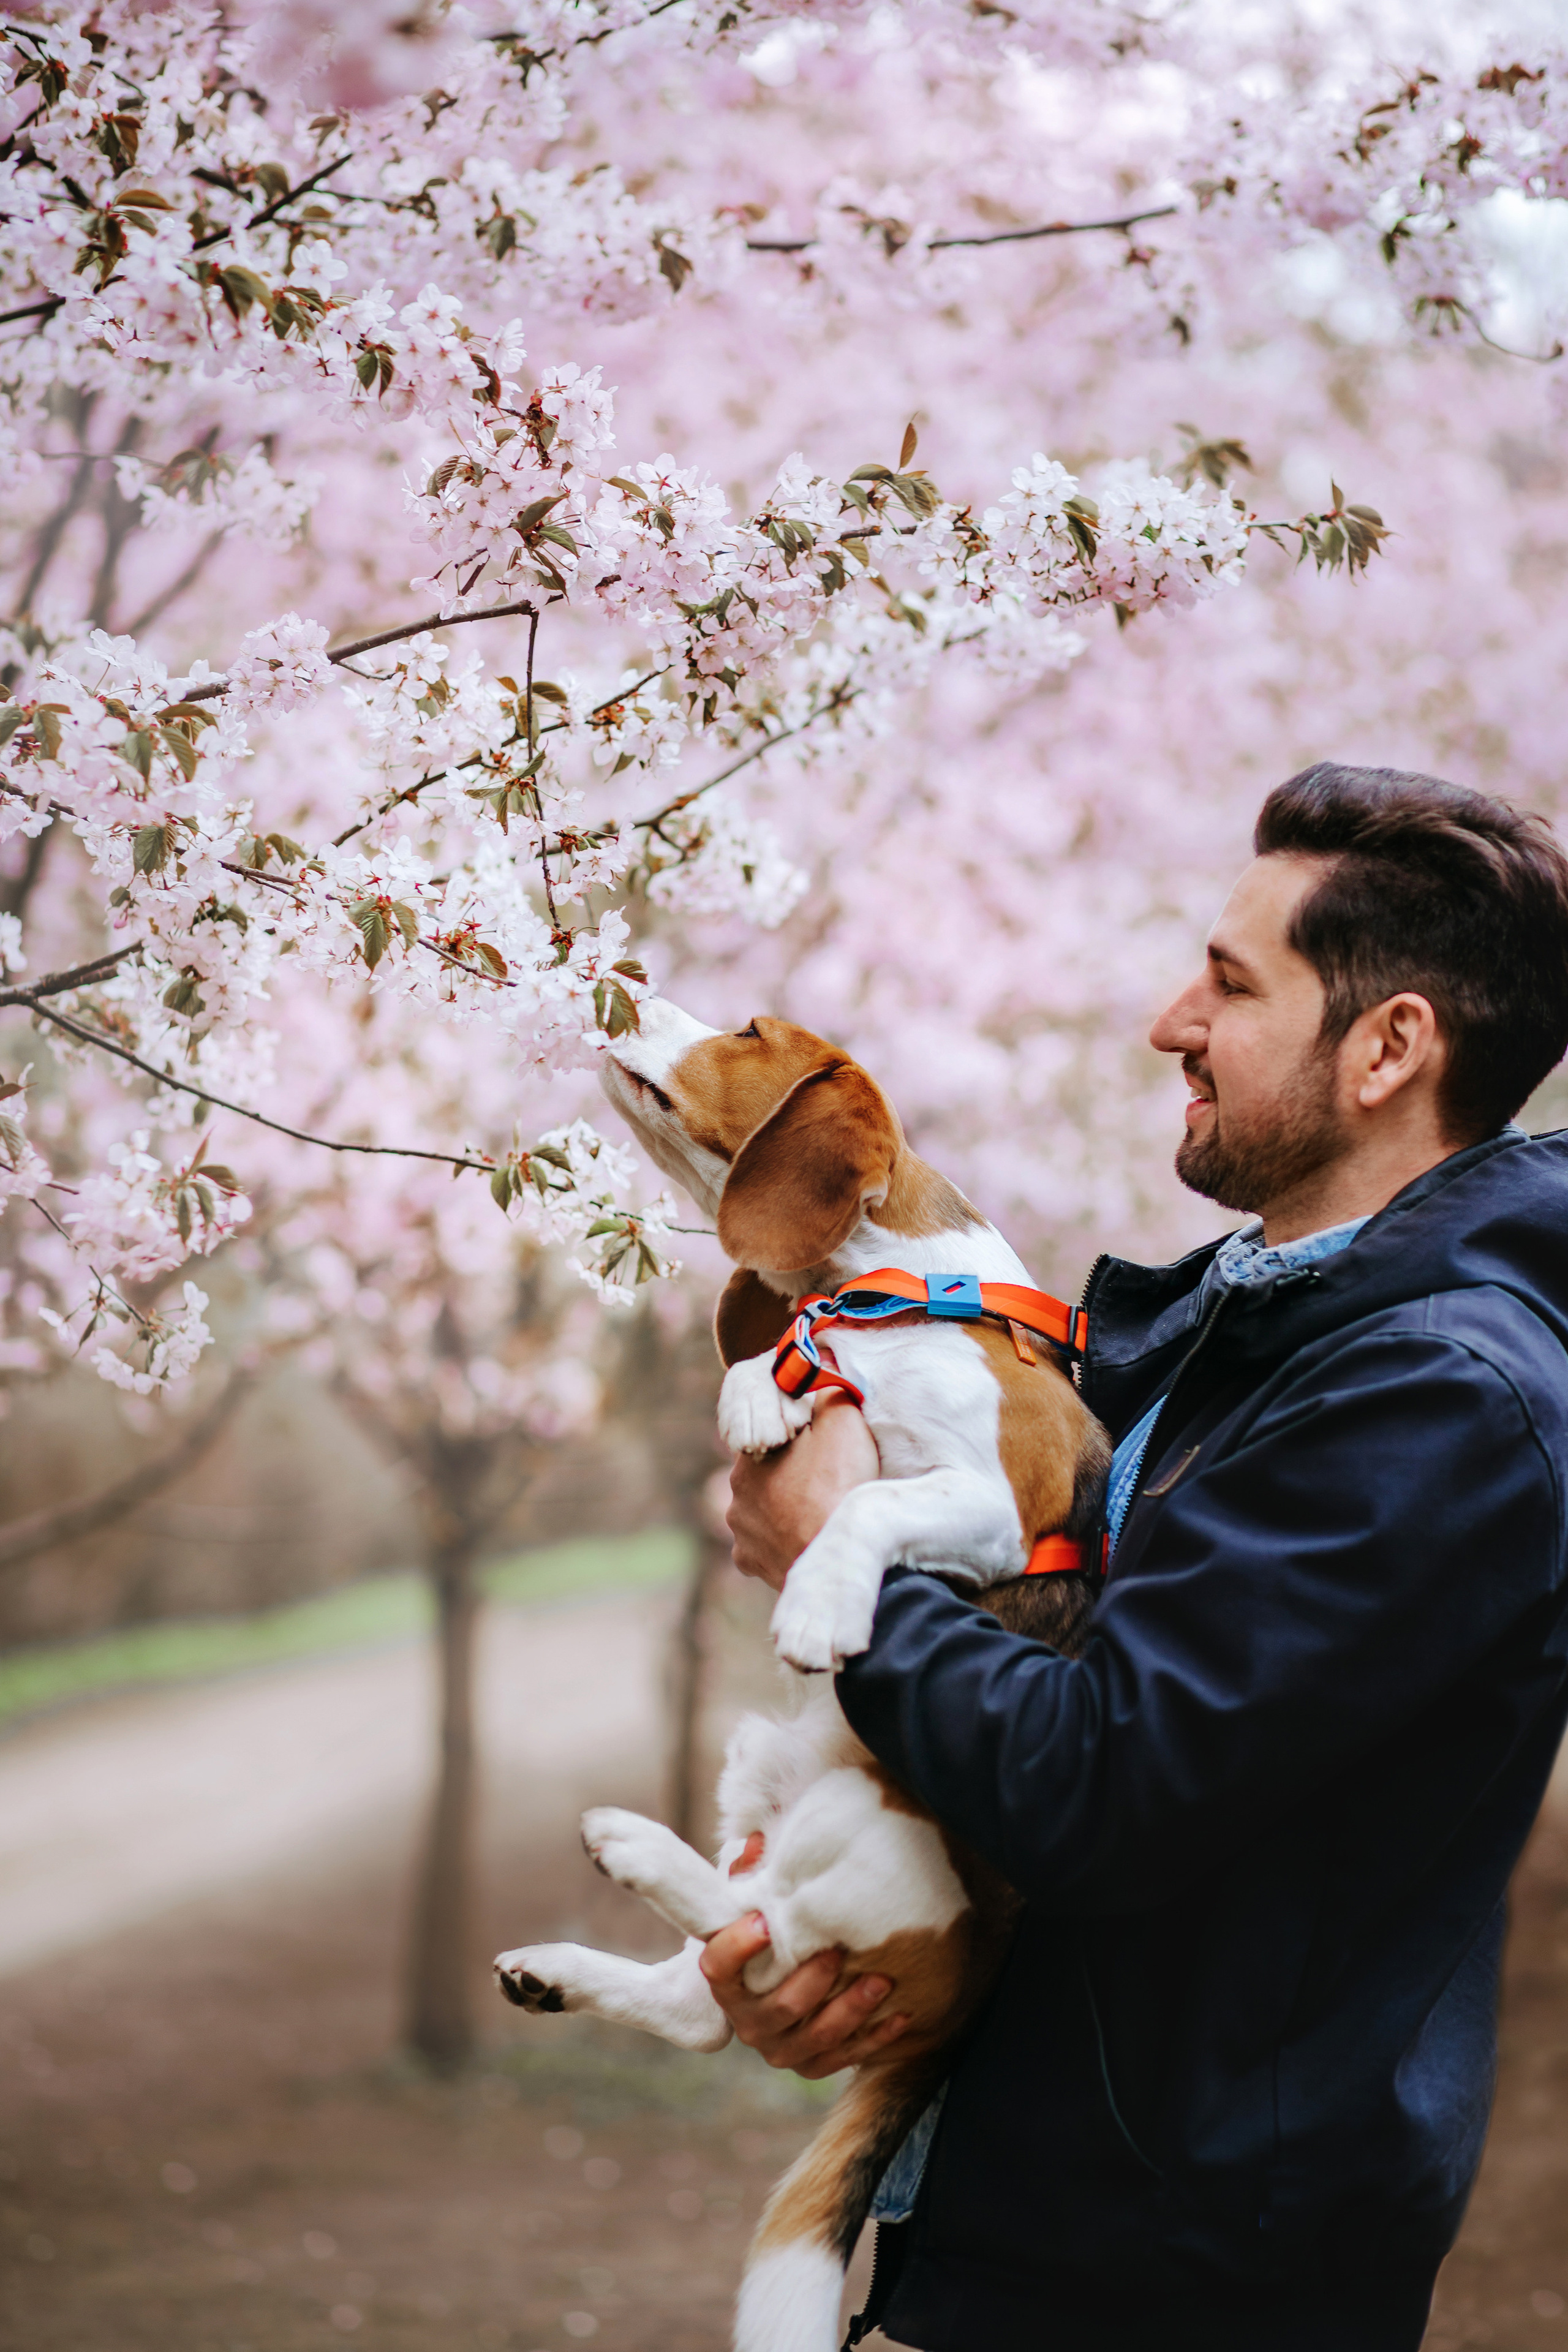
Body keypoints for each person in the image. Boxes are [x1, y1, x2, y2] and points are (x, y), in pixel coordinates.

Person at [704, 763, 1568, 2351]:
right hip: (1037, 2220)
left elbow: (1101, 1774)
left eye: (1231, 986)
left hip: (1183, 2286)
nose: (1172, 1020)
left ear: (1390, 1049)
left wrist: (846, 1563)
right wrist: (845, 1955)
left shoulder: (1446, 1401)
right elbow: (1032, 1690)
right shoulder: (1238, 1334)